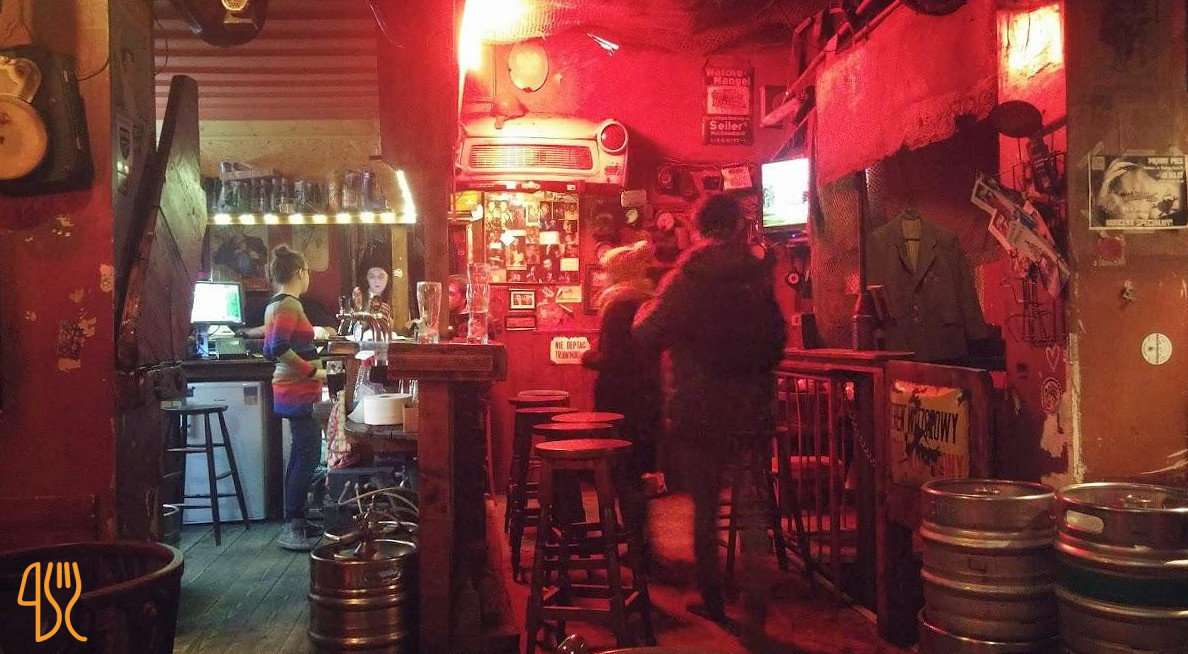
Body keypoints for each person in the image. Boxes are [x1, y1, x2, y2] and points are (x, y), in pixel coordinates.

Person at [632, 194, 786, 645]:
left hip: (699, 408)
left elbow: (645, 334)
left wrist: (645, 307)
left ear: (697, 228)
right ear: (737, 226)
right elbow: (776, 339)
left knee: (705, 509)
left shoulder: (687, 278)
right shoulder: (756, 275)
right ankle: (756, 602)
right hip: (752, 406)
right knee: (752, 507)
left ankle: (714, 600)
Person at [581, 241, 663, 562]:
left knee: (623, 474)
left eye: (607, 272)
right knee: (639, 470)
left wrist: (588, 356)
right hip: (648, 397)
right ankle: (641, 543)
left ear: (618, 273)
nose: (603, 278)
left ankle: (637, 548)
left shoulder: (618, 304)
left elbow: (613, 360)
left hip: (620, 401)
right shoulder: (647, 301)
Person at [263, 245, 327, 551]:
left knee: (301, 454)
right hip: (297, 391)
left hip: (290, 391)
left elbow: (268, 348)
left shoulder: (274, 304)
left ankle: (296, 519)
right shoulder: (290, 304)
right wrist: (312, 371)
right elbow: (278, 347)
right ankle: (293, 524)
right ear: (300, 272)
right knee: (308, 456)